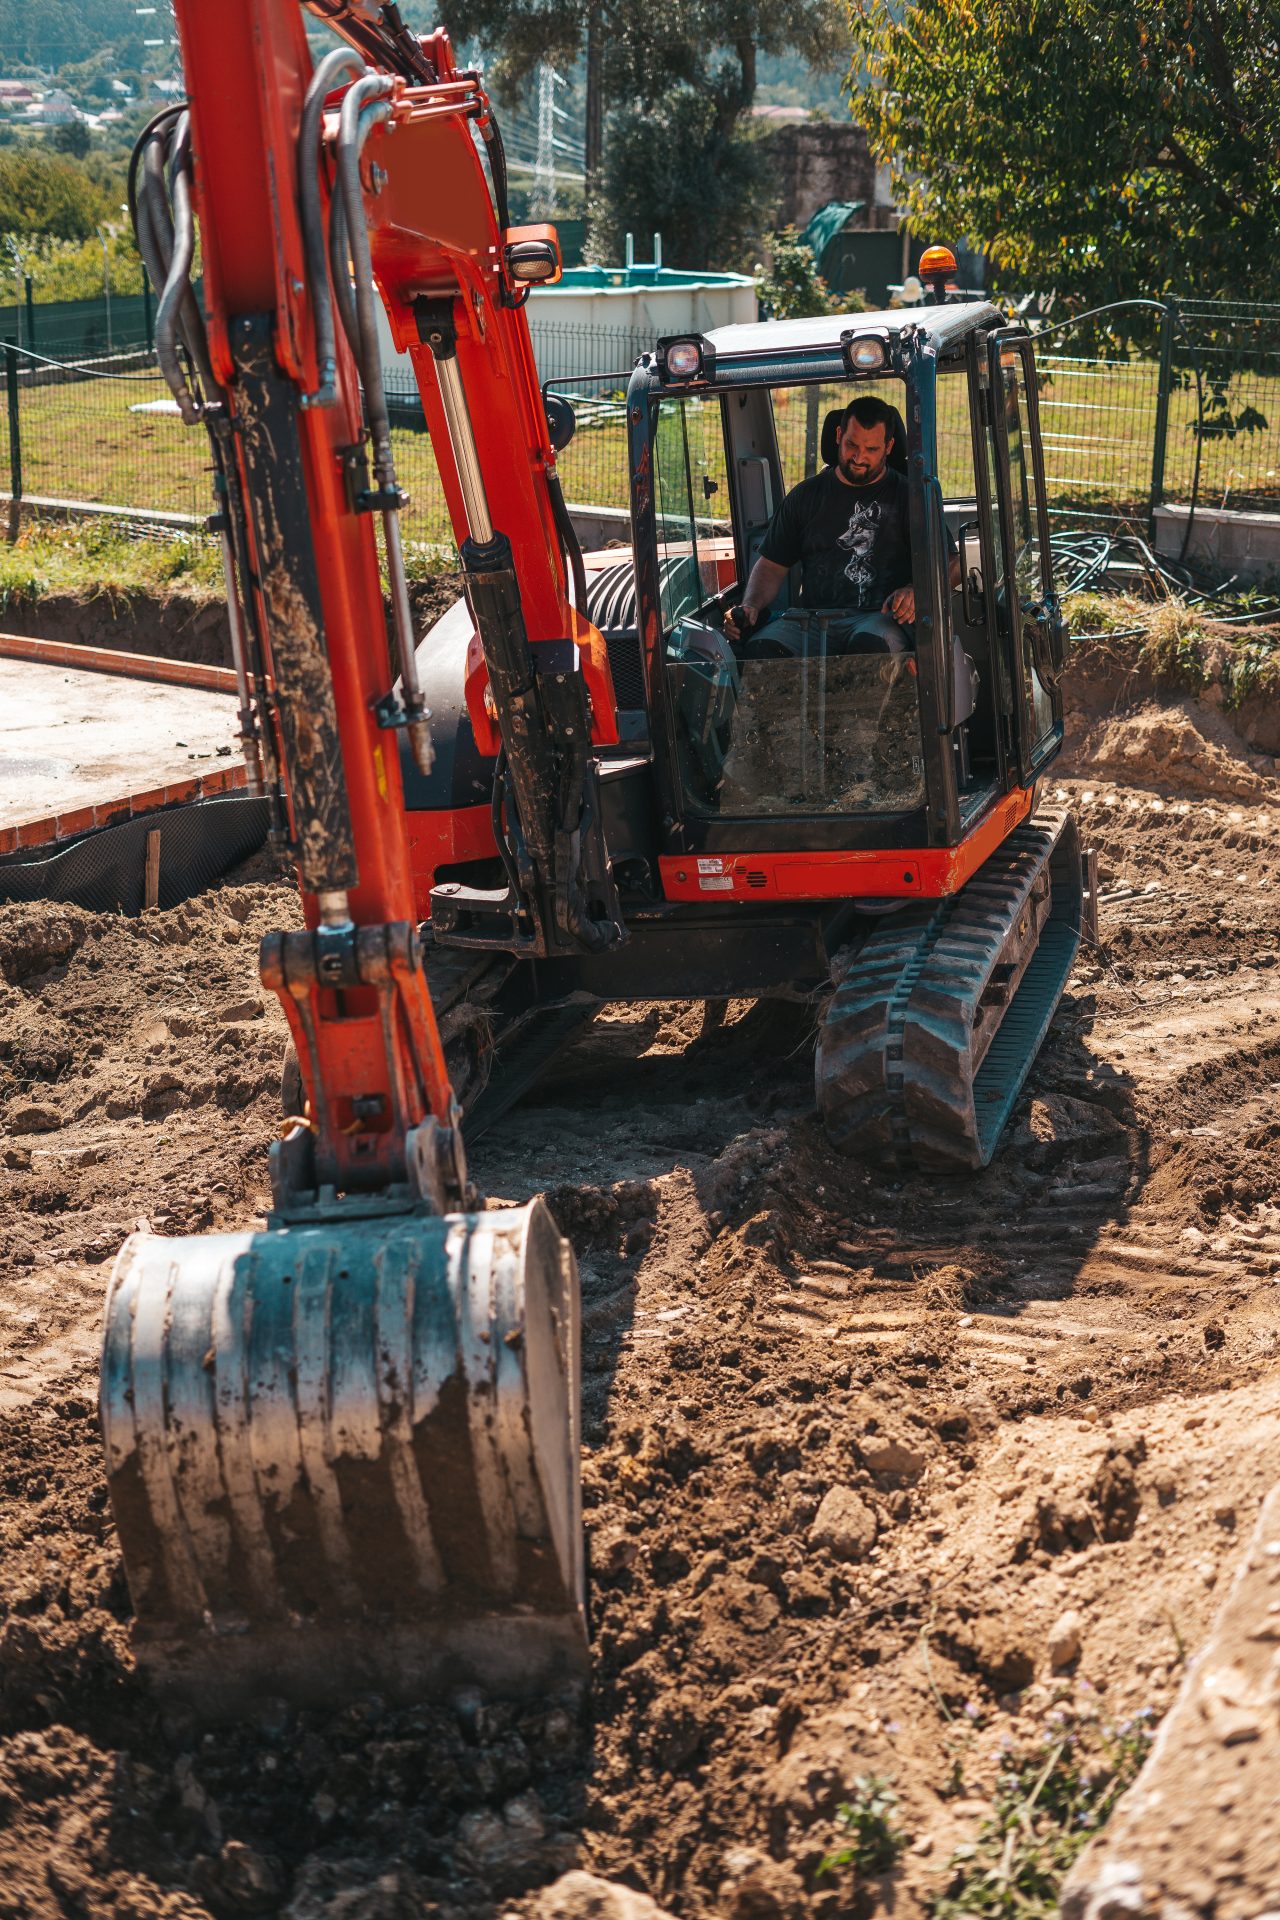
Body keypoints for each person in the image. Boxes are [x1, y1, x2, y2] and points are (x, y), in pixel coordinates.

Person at [724, 394, 960, 643]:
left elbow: (953, 565)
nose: (859, 458)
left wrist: (916, 591)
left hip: (880, 619)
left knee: (871, 645)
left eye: (871, 449)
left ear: (888, 448)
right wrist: (750, 605)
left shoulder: (910, 498)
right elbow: (771, 566)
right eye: (851, 445)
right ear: (838, 436)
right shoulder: (804, 497)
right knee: (764, 649)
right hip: (813, 622)